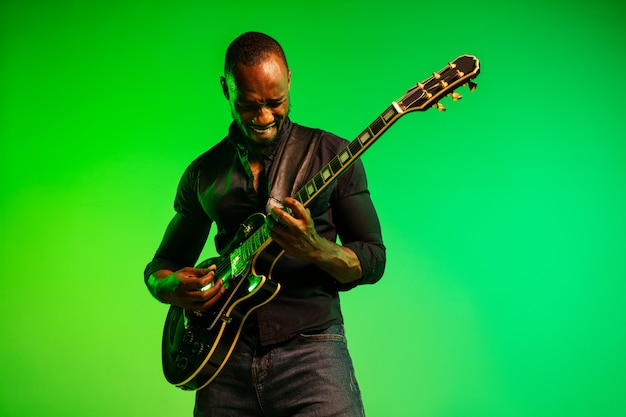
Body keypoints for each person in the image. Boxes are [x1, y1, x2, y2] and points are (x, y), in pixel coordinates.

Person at [144, 31, 386, 417]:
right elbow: (164, 261)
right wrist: (166, 285)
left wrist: (316, 249)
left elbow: (373, 259)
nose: (264, 117)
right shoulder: (203, 173)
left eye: (276, 103)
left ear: (289, 79)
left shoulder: (332, 155)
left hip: (312, 351)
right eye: (249, 105)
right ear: (226, 89)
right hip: (222, 359)